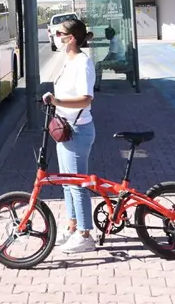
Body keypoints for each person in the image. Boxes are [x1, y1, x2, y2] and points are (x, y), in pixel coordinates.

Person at [42, 18, 97, 254]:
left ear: (71, 38)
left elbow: (86, 98)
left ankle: (85, 235)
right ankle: (73, 227)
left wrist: (57, 101)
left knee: (78, 185)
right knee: (67, 182)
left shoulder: (83, 63)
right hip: (64, 129)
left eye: (58, 33)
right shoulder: (68, 60)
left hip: (78, 131)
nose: (55, 36)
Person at [94, 27, 126, 91]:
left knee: (98, 65)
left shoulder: (114, 41)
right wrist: (104, 61)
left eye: (106, 34)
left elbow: (112, 54)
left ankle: (97, 86)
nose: (105, 36)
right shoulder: (114, 39)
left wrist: (104, 62)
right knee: (99, 64)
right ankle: (96, 84)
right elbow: (110, 54)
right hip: (118, 60)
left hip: (119, 62)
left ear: (110, 34)